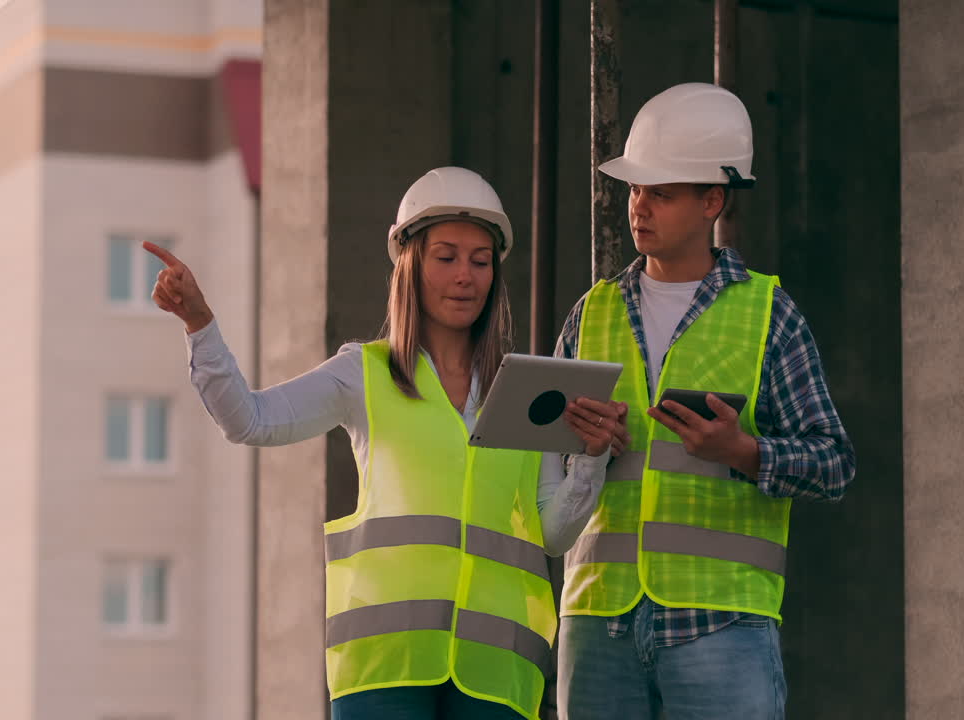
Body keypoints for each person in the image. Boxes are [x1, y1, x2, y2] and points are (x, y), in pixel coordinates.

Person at [145, 166, 626, 720]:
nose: (465, 276)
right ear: (410, 265)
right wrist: (200, 325)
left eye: (480, 260)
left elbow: (552, 535)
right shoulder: (364, 374)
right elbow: (250, 420)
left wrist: (591, 460)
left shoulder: (527, 389)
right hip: (384, 668)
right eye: (446, 257)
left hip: (497, 672)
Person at [553, 83, 857, 719]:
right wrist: (581, 448)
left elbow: (833, 464)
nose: (639, 206)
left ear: (712, 200)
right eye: (636, 189)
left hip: (721, 622)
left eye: (660, 192)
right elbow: (542, 471)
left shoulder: (769, 314)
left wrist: (744, 452)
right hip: (599, 617)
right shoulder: (593, 313)